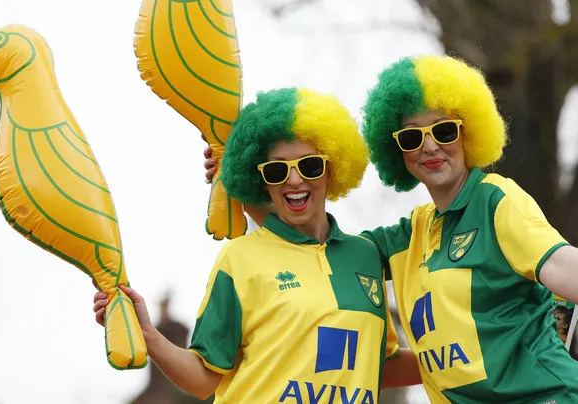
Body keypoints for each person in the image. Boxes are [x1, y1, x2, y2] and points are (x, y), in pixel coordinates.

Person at [205, 56, 578, 403]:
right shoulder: (409, 235)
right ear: (398, 150)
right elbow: (310, 246)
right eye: (412, 137)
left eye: (444, 130)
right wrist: (241, 184)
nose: (430, 145)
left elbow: (564, 268)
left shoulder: (497, 201)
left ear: (468, 133)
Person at [94, 87, 420, 403]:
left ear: (332, 168)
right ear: (261, 179)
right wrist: (148, 334)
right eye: (277, 170)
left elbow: (379, 364)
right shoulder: (240, 258)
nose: (294, 180)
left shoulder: (363, 256)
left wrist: (463, 358)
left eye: (309, 166)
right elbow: (202, 379)